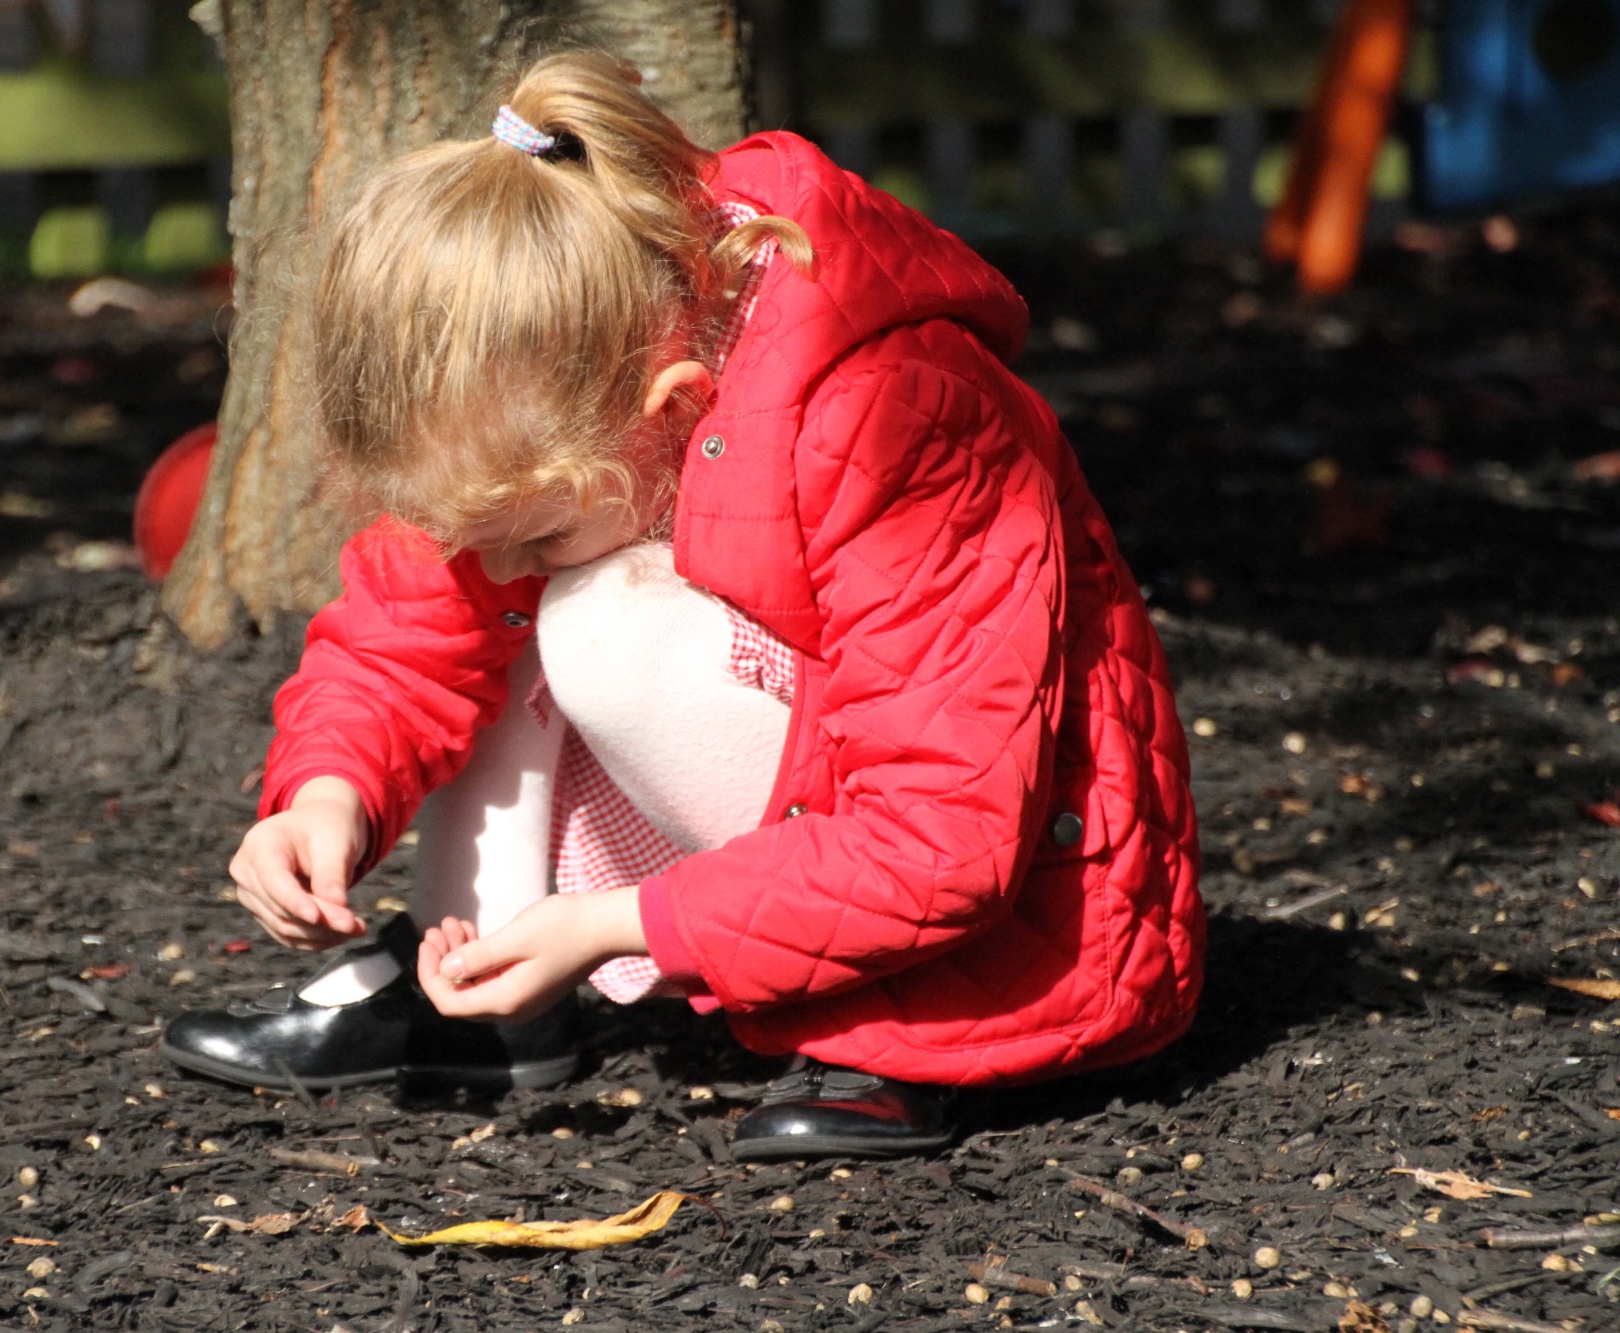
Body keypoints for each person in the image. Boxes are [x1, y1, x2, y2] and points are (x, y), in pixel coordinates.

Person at [162, 52, 1204, 1160]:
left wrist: (625, 923)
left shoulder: (896, 410)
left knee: (594, 619)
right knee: (512, 597)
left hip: (1006, 916)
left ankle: (874, 1031)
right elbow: (410, 623)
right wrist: (328, 796)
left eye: (536, 527)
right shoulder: (553, 412)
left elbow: (942, 831)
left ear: (675, 405)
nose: (499, 556)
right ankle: (483, 975)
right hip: (799, 822)